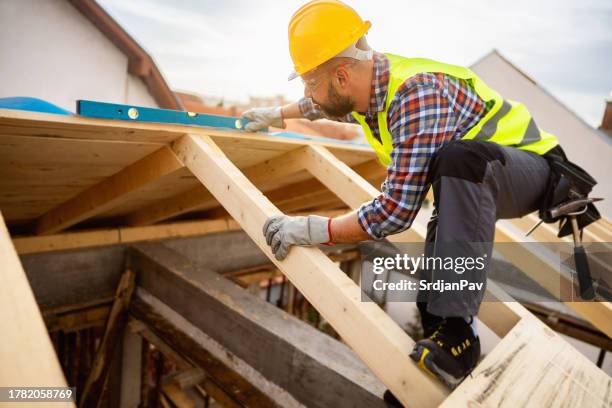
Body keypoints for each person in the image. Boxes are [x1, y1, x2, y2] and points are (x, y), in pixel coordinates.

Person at [242, 0, 561, 400]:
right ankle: (438, 367)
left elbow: (395, 212)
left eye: (308, 81)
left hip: (533, 169)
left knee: (457, 161)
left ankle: (460, 334)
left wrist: (313, 229)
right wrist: (278, 114)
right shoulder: (366, 86)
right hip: (480, 178)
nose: (307, 92)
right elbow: (321, 102)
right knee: (439, 255)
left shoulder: (415, 95)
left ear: (341, 75)